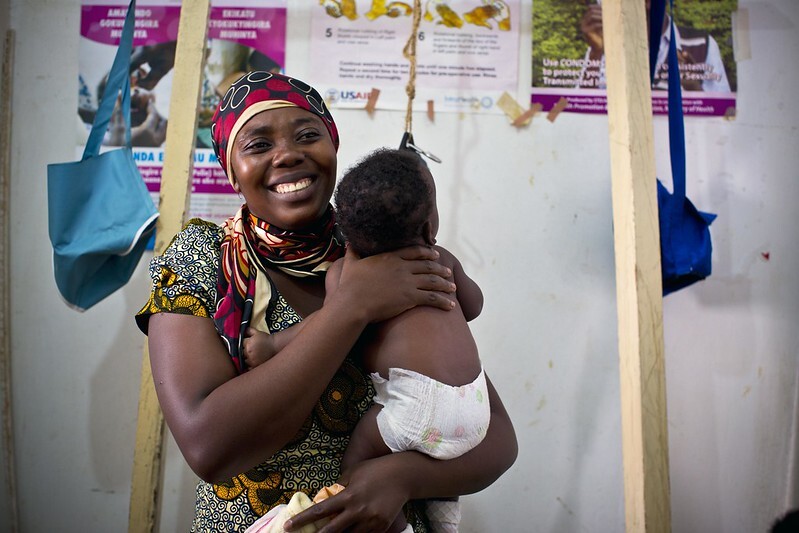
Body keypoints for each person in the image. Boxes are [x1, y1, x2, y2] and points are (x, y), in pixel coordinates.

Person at [135, 71, 518, 532]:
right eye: (257, 145)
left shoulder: (386, 249)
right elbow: (209, 447)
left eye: (307, 135)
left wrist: (400, 477)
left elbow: (494, 434)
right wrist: (349, 309)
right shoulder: (201, 259)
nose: (288, 154)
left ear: (333, 147)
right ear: (231, 171)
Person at [243, 148, 495, 532]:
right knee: (438, 459)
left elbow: (329, 324)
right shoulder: (440, 257)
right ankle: (443, 525)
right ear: (428, 228)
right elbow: (474, 305)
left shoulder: (346, 274)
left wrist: (272, 346)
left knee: (359, 463)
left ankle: (395, 528)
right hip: (476, 412)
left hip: (417, 412)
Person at [577, 0, 731, 92]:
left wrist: (693, 87)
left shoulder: (701, 44)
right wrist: (595, 54)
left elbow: (725, 116)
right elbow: (576, 112)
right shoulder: (603, 47)